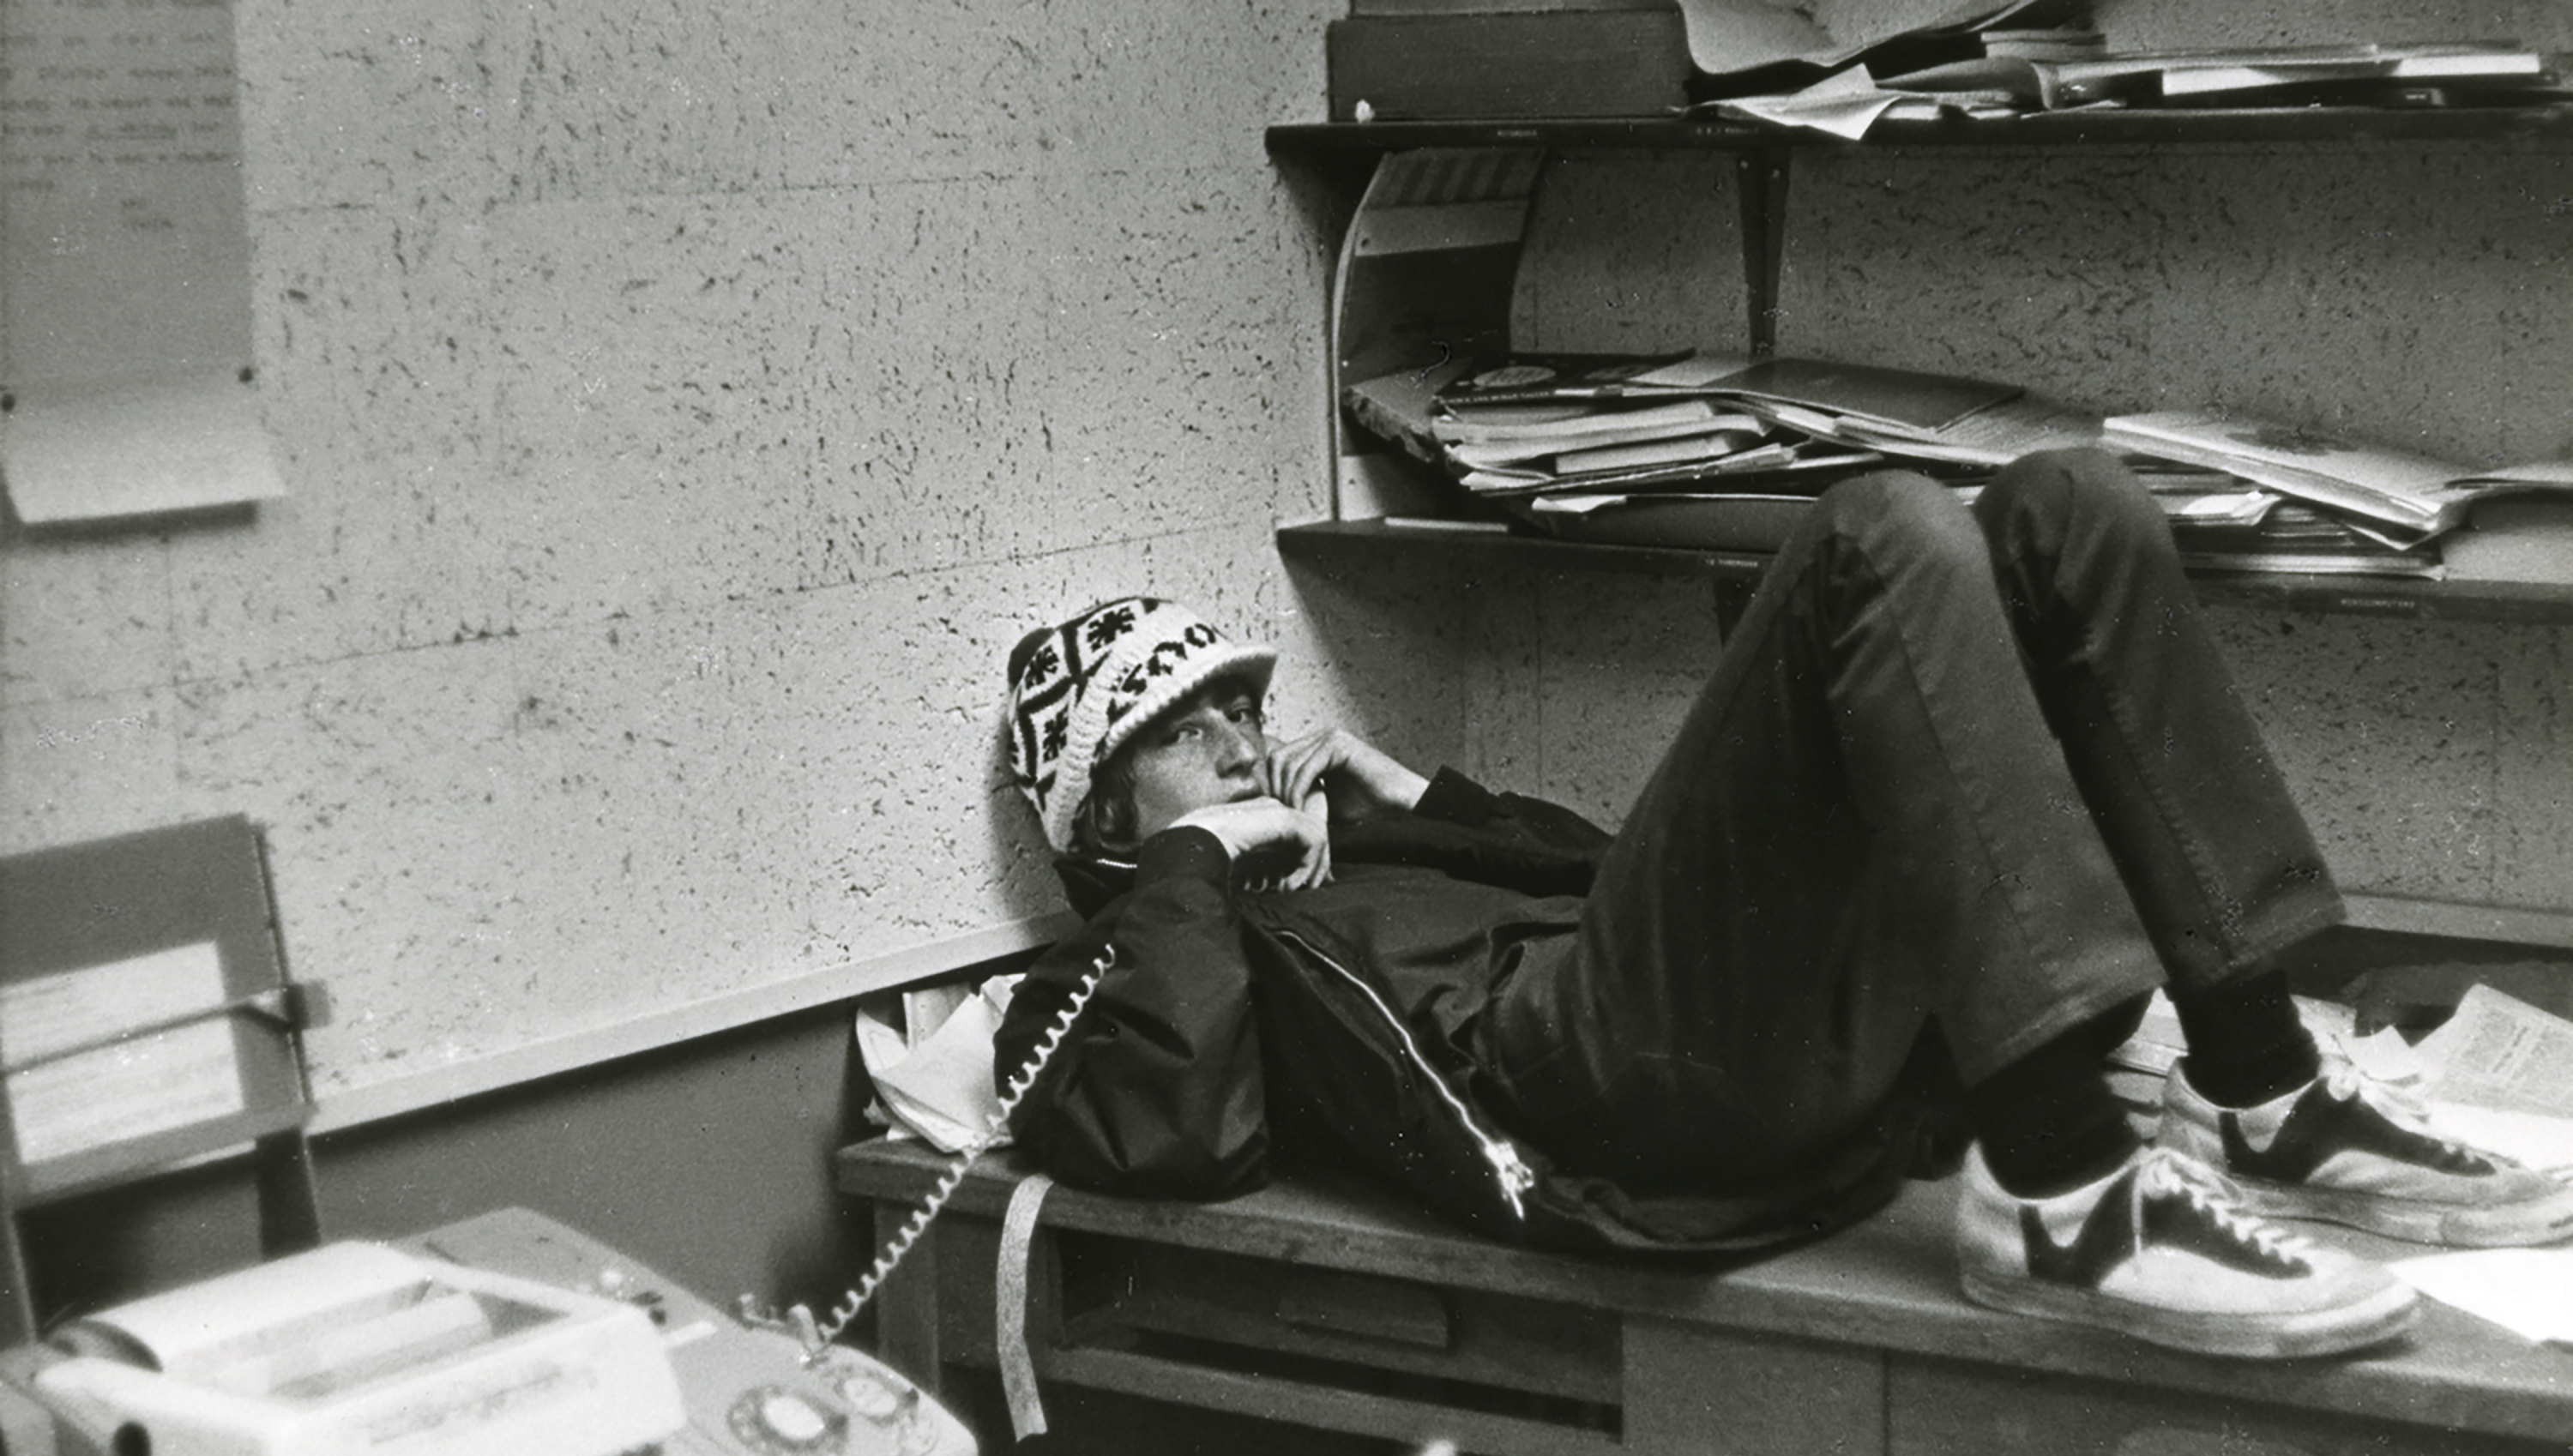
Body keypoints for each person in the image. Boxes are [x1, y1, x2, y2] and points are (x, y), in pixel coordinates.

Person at [993, 448, 2573, 1361]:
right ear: (1100, 820)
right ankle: (2072, 1199)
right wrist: (1194, 866)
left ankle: (2268, 1091)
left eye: (1239, 707)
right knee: (1876, 536)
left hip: (1700, 1038)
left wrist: (1431, 806)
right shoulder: (1136, 964)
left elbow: (1631, 882)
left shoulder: (1361, 861)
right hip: (1586, 1096)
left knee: (2066, 507)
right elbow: (1178, 1131)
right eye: (1177, 737)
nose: (1239, 741)